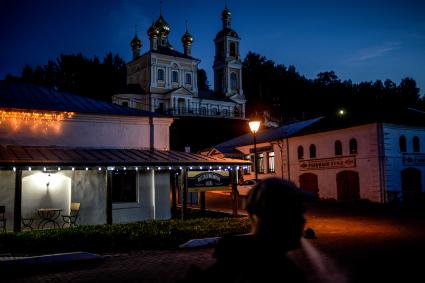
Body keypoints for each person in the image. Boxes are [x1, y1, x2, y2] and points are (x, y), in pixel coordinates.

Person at [180, 177, 308, 283]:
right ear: (271, 217)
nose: (303, 221)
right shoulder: (277, 270)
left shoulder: (236, 256)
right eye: (295, 213)